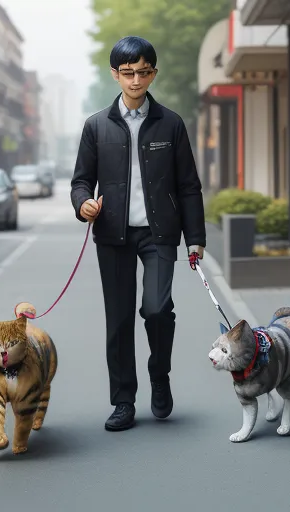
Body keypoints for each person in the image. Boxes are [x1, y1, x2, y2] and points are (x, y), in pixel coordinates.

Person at [70, 36, 206, 432]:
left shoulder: (171, 123)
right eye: (127, 73)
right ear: (115, 74)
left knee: (157, 308)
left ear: (153, 73)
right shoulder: (96, 126)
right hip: (112, 236)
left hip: (160, 233)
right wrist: (84, 205)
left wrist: (194, 237)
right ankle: (123, 401)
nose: (135, 80)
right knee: (119, 319)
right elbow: (81, 181)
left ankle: (159, 375)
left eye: (143, 72)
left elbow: (189, 185)